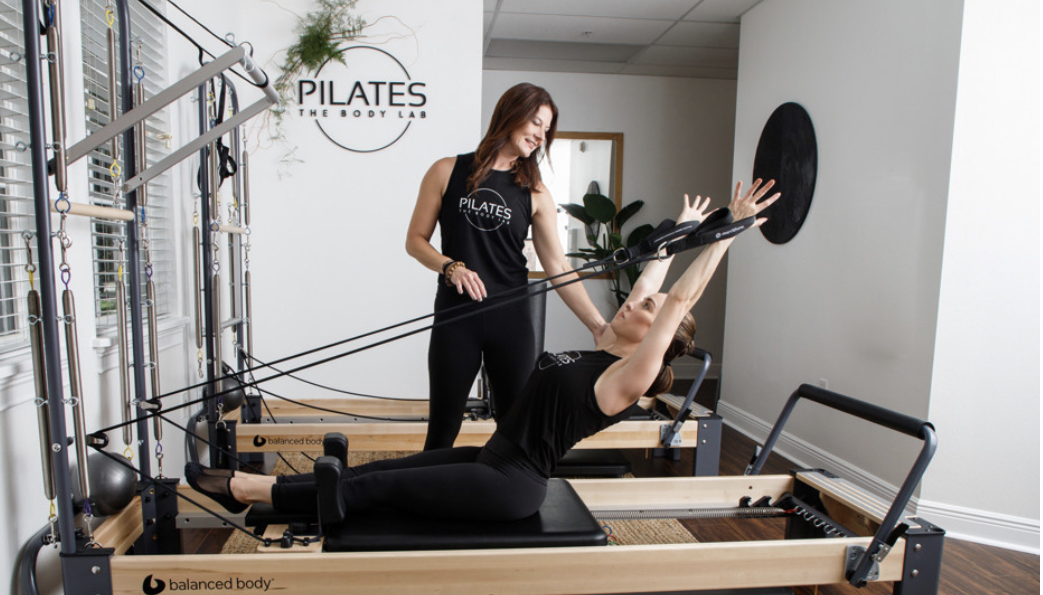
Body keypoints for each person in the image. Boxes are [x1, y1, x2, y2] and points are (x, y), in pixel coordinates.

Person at [186, 179, 780, 525]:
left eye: (646, 310)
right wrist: (681, 228)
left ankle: (247, 492)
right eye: (638, 301)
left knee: (374, 492)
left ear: (659, 339)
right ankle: (265, 497)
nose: (634, 302)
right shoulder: (607, 342)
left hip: (510, 483)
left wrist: (729, 232)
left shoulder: (630, 375)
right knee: (376, 471)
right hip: (489, 457)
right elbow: (654, 279)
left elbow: (678, 299)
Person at [405, 83, 609, 451]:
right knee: (442, 431)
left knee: (515, 431)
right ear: (511, 115)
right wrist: (450, 267)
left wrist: (598, 325)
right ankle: (432, 487)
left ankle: (500, 486)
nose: (541, 136)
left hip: (511, 321)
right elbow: (415, 240)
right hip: (456, 318)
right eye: (536, 123)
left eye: (547, 129)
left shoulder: (535, 192)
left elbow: (558, 266)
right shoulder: (446, 171)